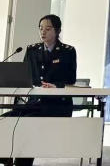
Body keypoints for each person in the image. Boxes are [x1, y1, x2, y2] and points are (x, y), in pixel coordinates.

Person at [0, 15, 77, 166]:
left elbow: (71, 79)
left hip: (57, 105)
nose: (43, 32)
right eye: (40, 28)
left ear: (57, 31)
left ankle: (22, 163)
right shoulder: (32, 50)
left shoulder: (68, 51)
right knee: (4, 119)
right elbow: (25, 76)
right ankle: (6, 158)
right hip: (34, 103)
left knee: (28, 123)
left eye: (48, 29)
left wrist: (57, 86)